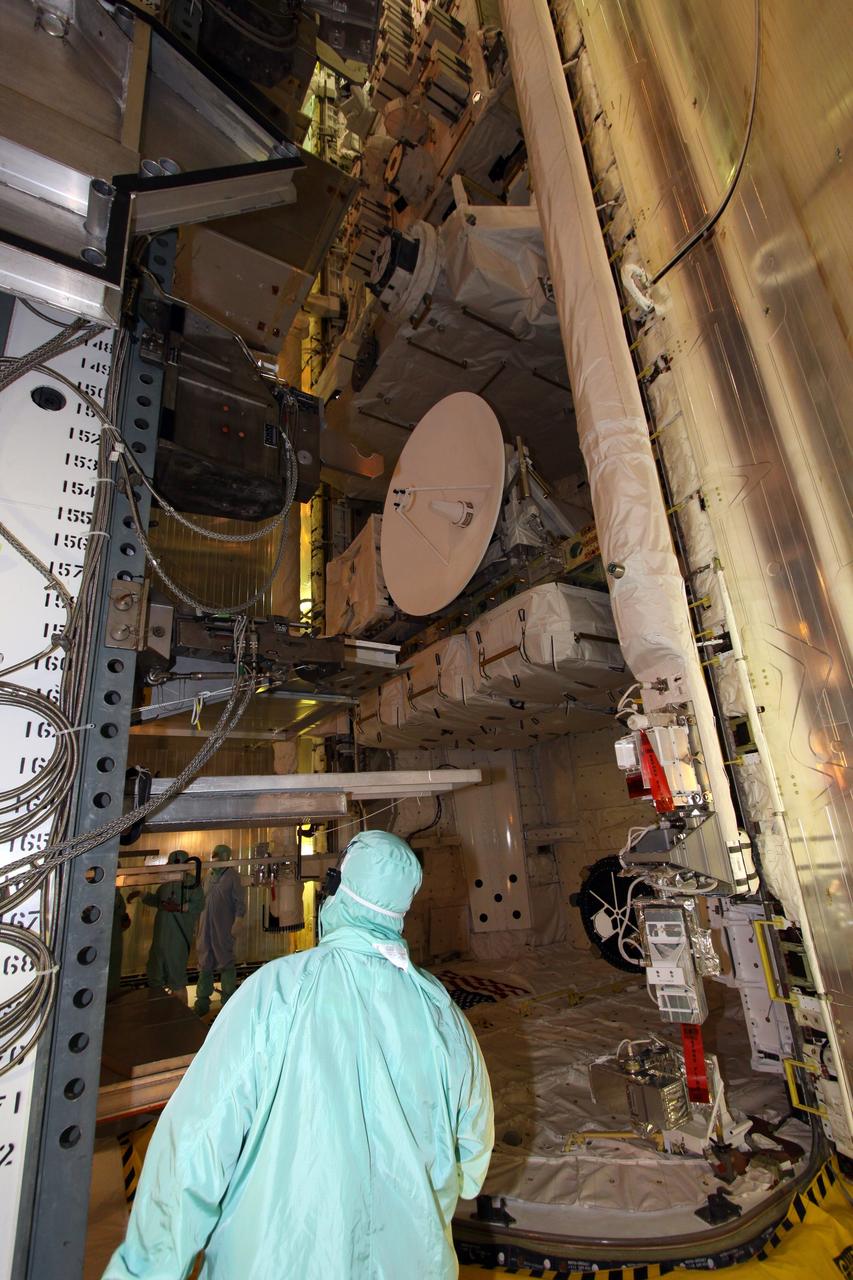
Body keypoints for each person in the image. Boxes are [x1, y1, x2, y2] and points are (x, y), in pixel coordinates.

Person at [103, 830, 494, 1280]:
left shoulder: (276, 990)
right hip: (416, 1261)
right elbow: (474, 1156)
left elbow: (196, 1142)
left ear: (340, 889)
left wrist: (143, 1270)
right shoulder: (440, 1010)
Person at [132, 850, 204, 1004]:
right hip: (161, 937)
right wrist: (141, 894)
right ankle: (159, 1011)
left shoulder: (192, 884)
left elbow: (199, 905)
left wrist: (178, 908)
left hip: (178, 937)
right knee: (156, 973)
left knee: (176, 975)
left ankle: (182, 1015)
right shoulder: (166, 883)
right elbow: (158, 901)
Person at [194, 843, 246, 1015]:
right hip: (205, 926)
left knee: (225, 962)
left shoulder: (232, 876)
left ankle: (228, 1005)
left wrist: (238, 919)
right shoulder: (208, 875)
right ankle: (202, 1002)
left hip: (223, 927)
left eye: (218, 854)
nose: (215, 857)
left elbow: (239, 901)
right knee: (204, 962)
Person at [106, 887, 131, 1000]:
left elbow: (120, 913)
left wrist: (124, 920)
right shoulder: (105, 890)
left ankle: (112, 993)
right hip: (105, 938)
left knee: (113, 967)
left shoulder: (117, 893)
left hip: (115, 937)